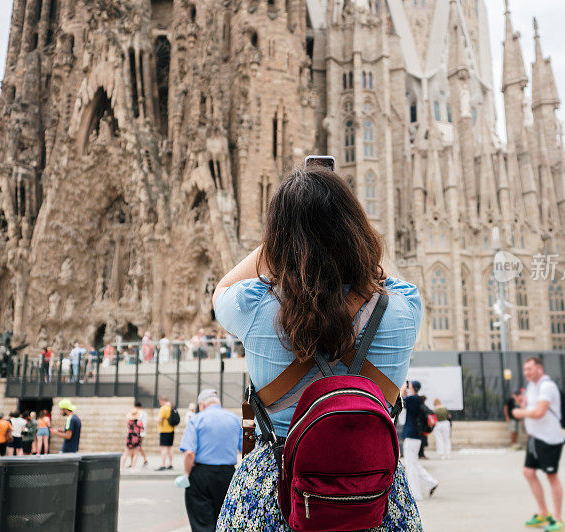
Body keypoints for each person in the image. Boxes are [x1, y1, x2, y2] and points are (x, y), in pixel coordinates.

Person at [211, 166, 424, 531]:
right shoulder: (404, 308)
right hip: (374, 497)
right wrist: (352, 239)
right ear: (355, 227)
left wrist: (279, 242)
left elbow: (221, 290)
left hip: (275, 491)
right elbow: (382, 274)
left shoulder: (254, 305)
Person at [511, 357, 565, 532]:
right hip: (535, 437)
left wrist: (520, 413)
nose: (527, 372)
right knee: (528, 472)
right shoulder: (532, 386)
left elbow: (540, 412)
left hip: (549, 438)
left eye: (530, 369)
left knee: (552, 477)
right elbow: (531, 405)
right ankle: (543, 513)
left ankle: (558, 519)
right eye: (525, 369)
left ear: (540, 369)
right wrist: (522, 404)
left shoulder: (547, 386)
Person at [179, 390, 242, 532]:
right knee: (225, 518)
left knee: (202, 522)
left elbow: (189, 453)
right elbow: (244, 449)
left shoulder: (196, 419)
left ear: (202, 405)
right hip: (228, 474)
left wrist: (186, 475)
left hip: (202, 474)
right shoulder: (235, 419)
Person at [156, 397, 175, 470]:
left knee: (163, 447)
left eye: (160, 402)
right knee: (170, 447)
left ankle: (163, 464)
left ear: (163, 401)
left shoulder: (163, 408)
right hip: (171, 430)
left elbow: (159, 419)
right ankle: (170, 464)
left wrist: (156, 419)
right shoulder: (171, 407)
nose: (160, 403)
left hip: (164, 430)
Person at [133, 402, 149, 467]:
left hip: (139, 432)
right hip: (141, 432)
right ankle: (144, 460)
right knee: (138, 447)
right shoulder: (144, 413)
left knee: (137, 447)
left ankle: (143, 460)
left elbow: (137, 421)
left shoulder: (140, 413)